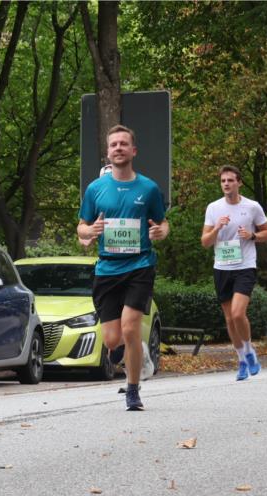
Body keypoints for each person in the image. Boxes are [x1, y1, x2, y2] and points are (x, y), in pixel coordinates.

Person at [77, 124, 169, 411]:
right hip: (107, 270)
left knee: (130, 327)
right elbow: (81, 229)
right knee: (113, 339)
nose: (118, 148)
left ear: (133, 150)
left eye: (123, 144)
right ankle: (135, 351)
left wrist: (160, 232)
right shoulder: (95, 189)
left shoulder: (148, 188)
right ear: (107, 152)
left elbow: (162, 222)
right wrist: (90, 230)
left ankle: (132, 390)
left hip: (140, 265)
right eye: (113, 144)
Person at [200, 165, 267, 381]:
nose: (226, 184)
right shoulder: (213, 208)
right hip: (222, 267)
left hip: (245, 266)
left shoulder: (252, 207)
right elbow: (205, 242)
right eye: (223, 181)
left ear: (239, 182)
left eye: (230, 180)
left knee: (238, 313)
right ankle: (241, 359)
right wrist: (216, 229)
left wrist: (252, 236)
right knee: (229, 319)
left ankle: (250, 351)